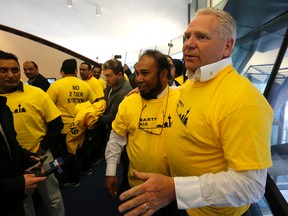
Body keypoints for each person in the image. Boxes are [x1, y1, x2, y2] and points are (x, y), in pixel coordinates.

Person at [118, 8, 273, 216]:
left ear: (227, 46)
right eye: (187, 36)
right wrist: (144, 89)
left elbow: (250, 185)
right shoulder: (194, 83)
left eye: (201, 37)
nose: (188, 44)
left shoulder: (243, 101)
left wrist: (176, 190)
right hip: (190, 206)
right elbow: (184, 96)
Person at [104, 50, 180, 215]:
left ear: (163, 74)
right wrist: (110, 171)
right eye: (137, 73)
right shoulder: (128, 103)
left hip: (172, 190)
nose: (138, 79)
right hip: (136, 186)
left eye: (145, 73)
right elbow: (116, 139)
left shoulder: (183, 98)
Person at [0, 50, 65, 216]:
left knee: (53, 197)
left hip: (40, 157)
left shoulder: (36, 93)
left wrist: (43, 148)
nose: (10, 75)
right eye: (3, 70)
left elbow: (57, 124)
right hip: (12, 164)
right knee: (22, 203)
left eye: (15, 70)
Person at [47, 58, 98, 186]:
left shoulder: (56, 85)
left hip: (65, 128)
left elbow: (47, 106)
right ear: (76, 70)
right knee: (83, 148)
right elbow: (94, 103)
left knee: (69, 154)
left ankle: (73, 179)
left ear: (61, 71)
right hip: (82, 125)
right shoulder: (85, 85)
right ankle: (86, 169)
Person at [0, 95, 47, 216]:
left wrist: (27, 157)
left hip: (13, 201)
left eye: (15, 73)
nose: (10, 75)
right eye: (4, 73)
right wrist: (16, 186)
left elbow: (11, 144)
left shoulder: (3, 109)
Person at [95, 59, 132, 166]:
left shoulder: (124, 92)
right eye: (105, 76)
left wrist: (92, 119)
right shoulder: (110, 85)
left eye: (109, 76)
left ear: (120, 75)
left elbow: (112, 117)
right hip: (112, 129)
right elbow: (105, 101)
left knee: (124, 161)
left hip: (122, 134)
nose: (106, 79)